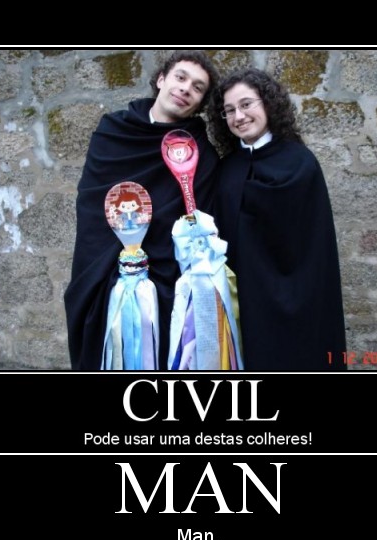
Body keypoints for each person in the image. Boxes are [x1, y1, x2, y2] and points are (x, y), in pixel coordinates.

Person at [64, 51, 220, 370]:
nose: (186, 88)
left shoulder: (201, 153)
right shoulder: (113, 131)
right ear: (161, 79)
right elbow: (91, 203)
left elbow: (198, 223)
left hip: (165, 279)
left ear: (200, 103)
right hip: (105, 268)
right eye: (180, 77)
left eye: (197, 87)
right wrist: (121, 267)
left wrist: (149, 274)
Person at [208, 68, 347, 371]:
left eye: (246, 104)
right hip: (241, 297)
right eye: (229, 110)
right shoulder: (227, 168)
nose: (239, 116)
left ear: (268, 103)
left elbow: (312, 242)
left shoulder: (300, 163)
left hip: (296, 294)